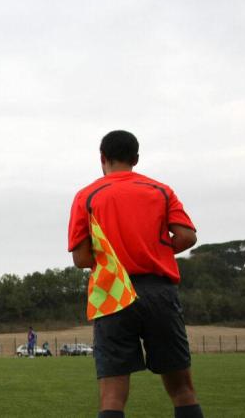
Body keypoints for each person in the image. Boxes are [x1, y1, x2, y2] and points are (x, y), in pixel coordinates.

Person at [68, 130, 202, 418]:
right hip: (159, 292)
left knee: (112, 398)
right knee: (182, 391)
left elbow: (80, 257)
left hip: (113, 295)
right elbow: (187, 236)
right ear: (136, 159)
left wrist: (112, 257)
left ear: (102, 158)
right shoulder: (161, 190)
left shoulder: (86, 196)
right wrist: (156, 250)